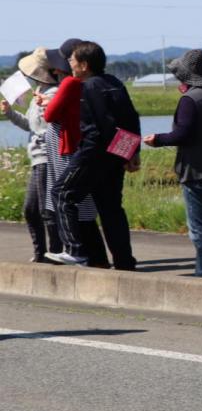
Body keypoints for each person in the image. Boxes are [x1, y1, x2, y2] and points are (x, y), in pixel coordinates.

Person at [143, 50, 202, 279]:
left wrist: (157, 140)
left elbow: (182, 134)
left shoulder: (189, 100)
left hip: (197, 171)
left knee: (200, 228)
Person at [53, 41, 141, 270]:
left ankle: (75, 251)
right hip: (116, 155)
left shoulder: (89, 87)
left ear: (84, 64)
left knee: (62, 193)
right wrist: (130, 153)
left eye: (72, 60)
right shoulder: (115, 83)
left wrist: (84, 158)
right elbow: (131, 119)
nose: (69, 63)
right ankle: (124, 262)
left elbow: (99, 128)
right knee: (111, 208)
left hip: (94, 154)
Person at [41, 42, 111, 267]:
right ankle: (96, 258)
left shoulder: (70, 83)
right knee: (83, 203)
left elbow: (50, 115)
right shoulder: (102, 83)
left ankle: (76, 252)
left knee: (64, 196)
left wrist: (48, 104)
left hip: (69, 147)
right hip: (89, 149)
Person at [1, 48, 58, 262]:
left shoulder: (51, 93)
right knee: (32, 209)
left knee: (44, 209)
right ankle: (41, 252)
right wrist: (10, 113)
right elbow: (30, 125)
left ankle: (53, 252)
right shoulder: (39, 92)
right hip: (37, 157)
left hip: (45, 157)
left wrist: (43, 105)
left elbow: (47, 128)